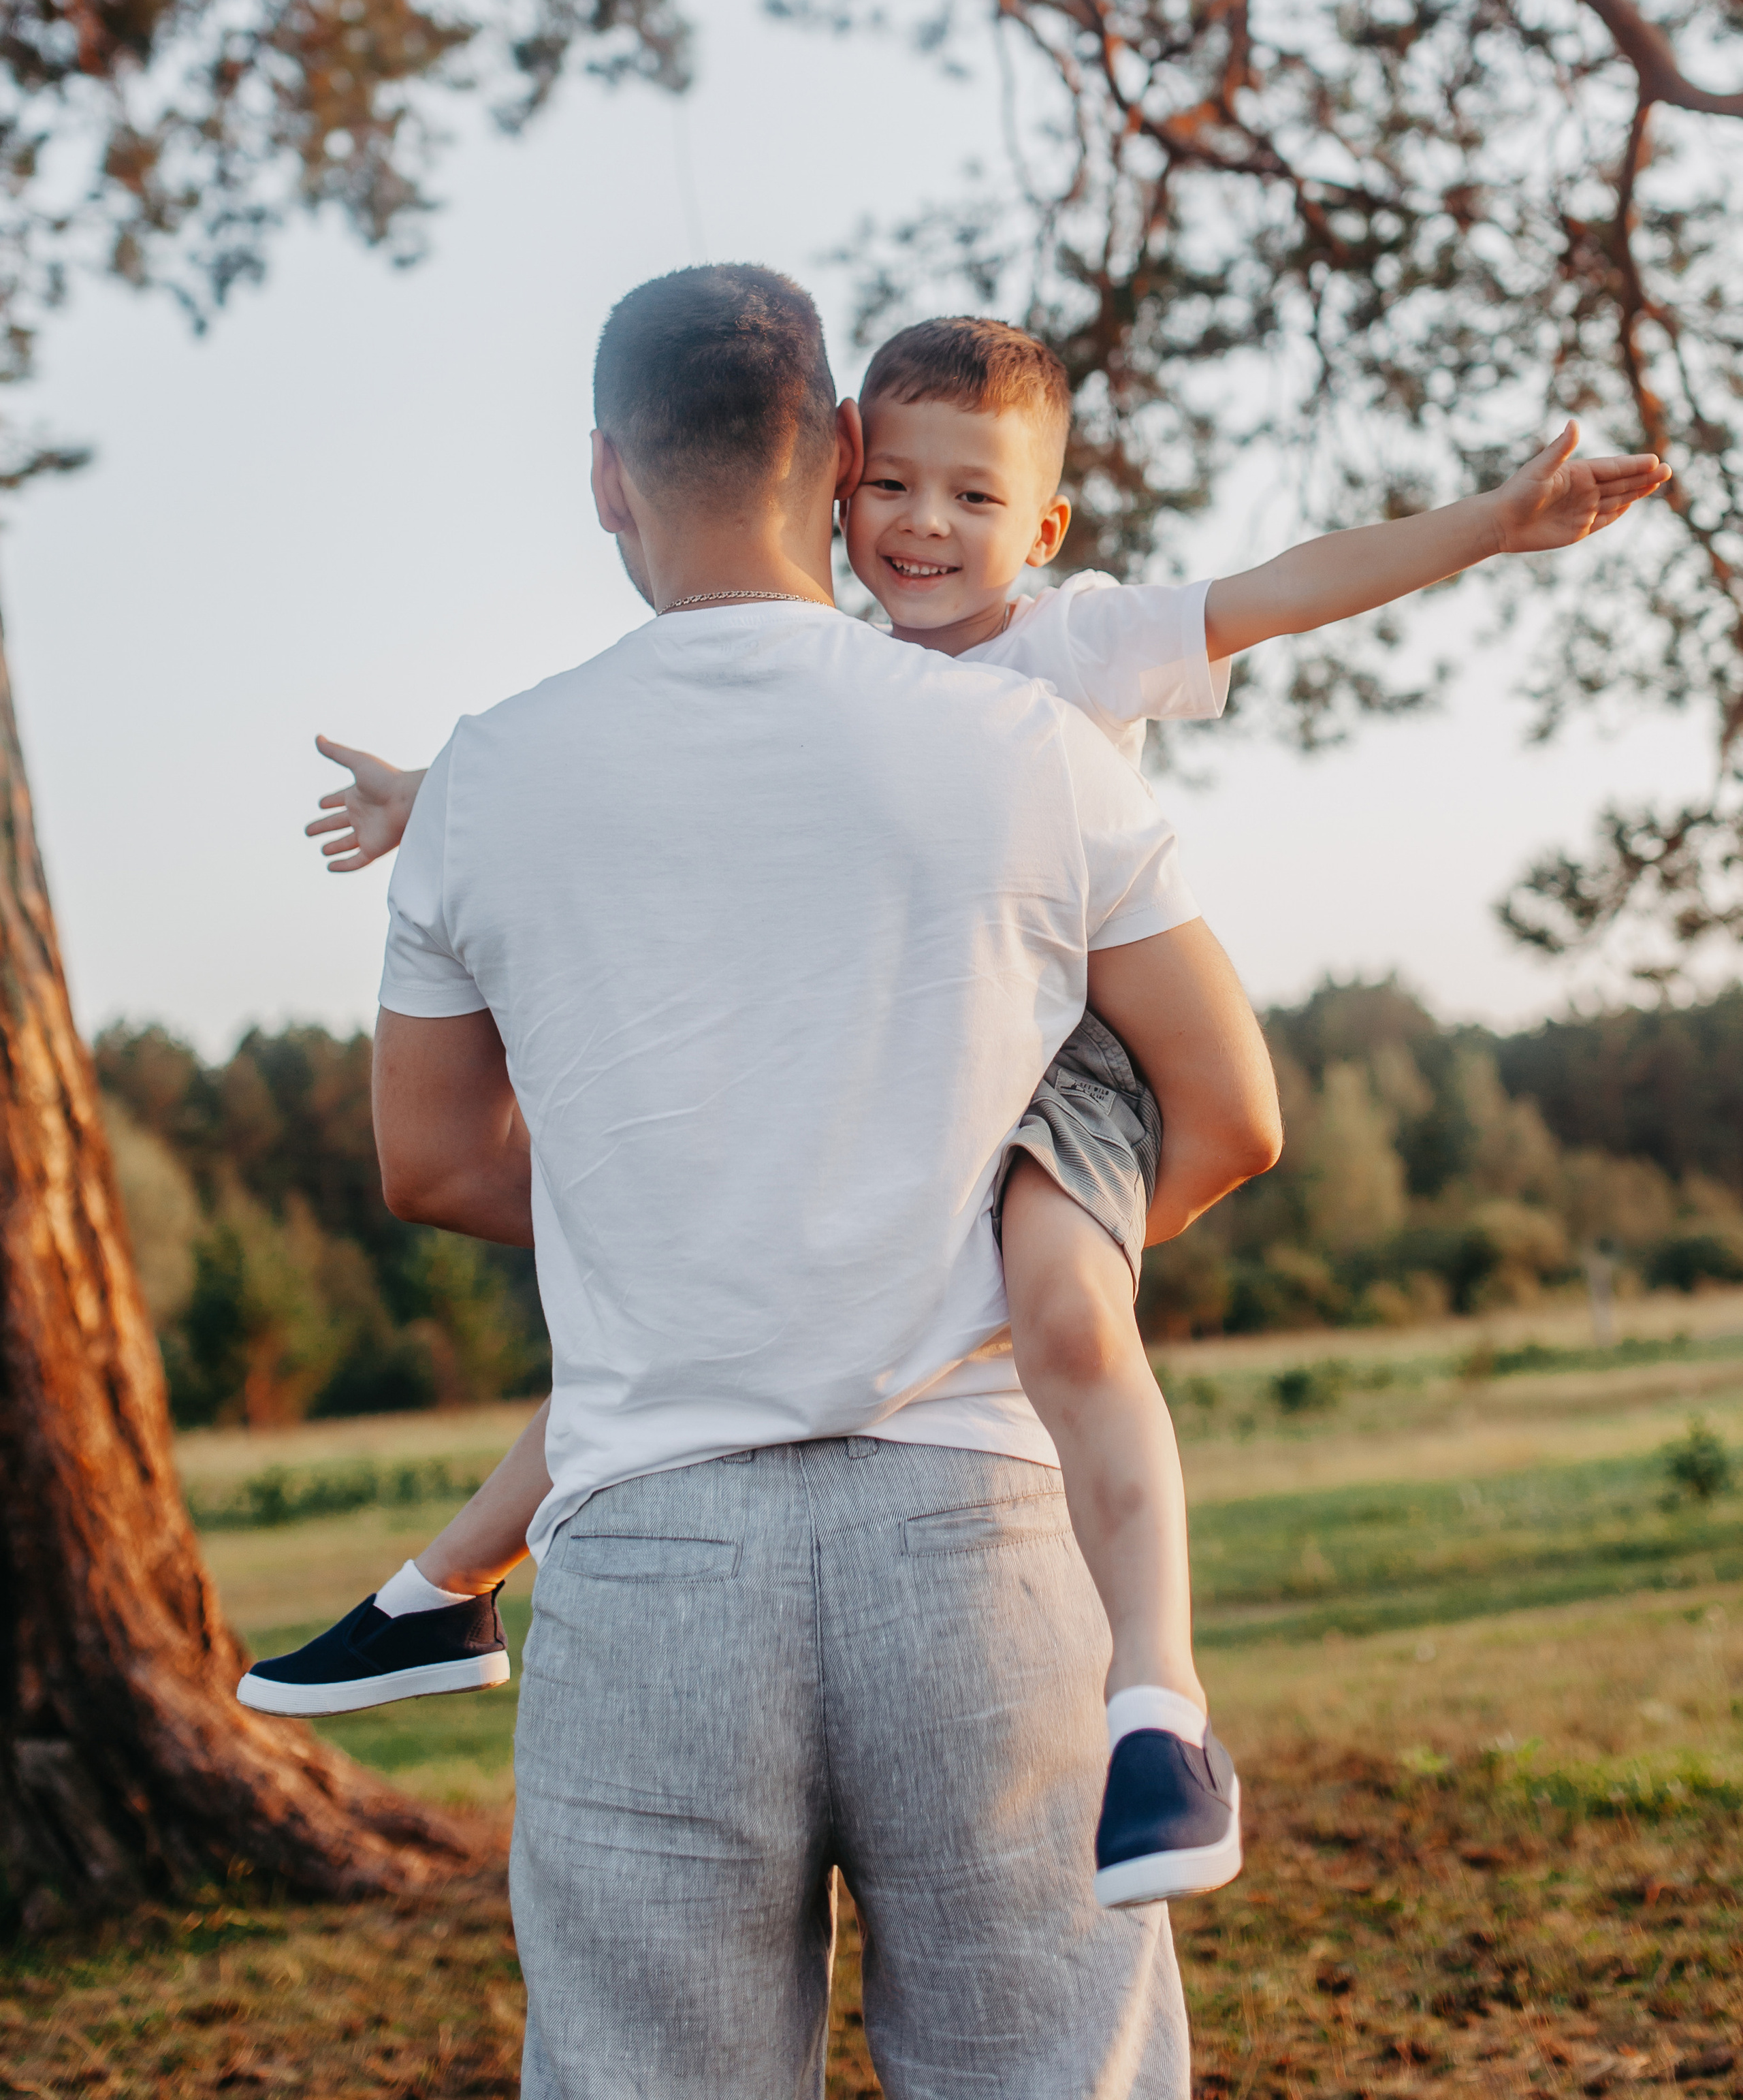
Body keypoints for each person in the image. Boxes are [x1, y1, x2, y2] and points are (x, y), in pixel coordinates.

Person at [243, 305, 1667, 1919]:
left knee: (1059, 1322)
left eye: (973, 500)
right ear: (837, 478)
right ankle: (441, 1589)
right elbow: (639, 772)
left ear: (1042, 526)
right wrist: (434, 797)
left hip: (1058, 1052)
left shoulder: (1074, 645)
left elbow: (1284, 590)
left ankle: (1160, 1706)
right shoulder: (831, 677)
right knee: (700, 1264)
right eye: (895, 488)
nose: (926, 526)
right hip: (916, 1051)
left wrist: (1494, 523)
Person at [312, 261, 1281, 2095]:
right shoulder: (1029, 750)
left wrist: (684, 1207)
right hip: (989, 1543)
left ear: (607, 476)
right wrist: (998, 1254)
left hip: (654, 1558)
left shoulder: (485, 788)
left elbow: (429, 1163)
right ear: (839, 451)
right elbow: (1230, 1112)